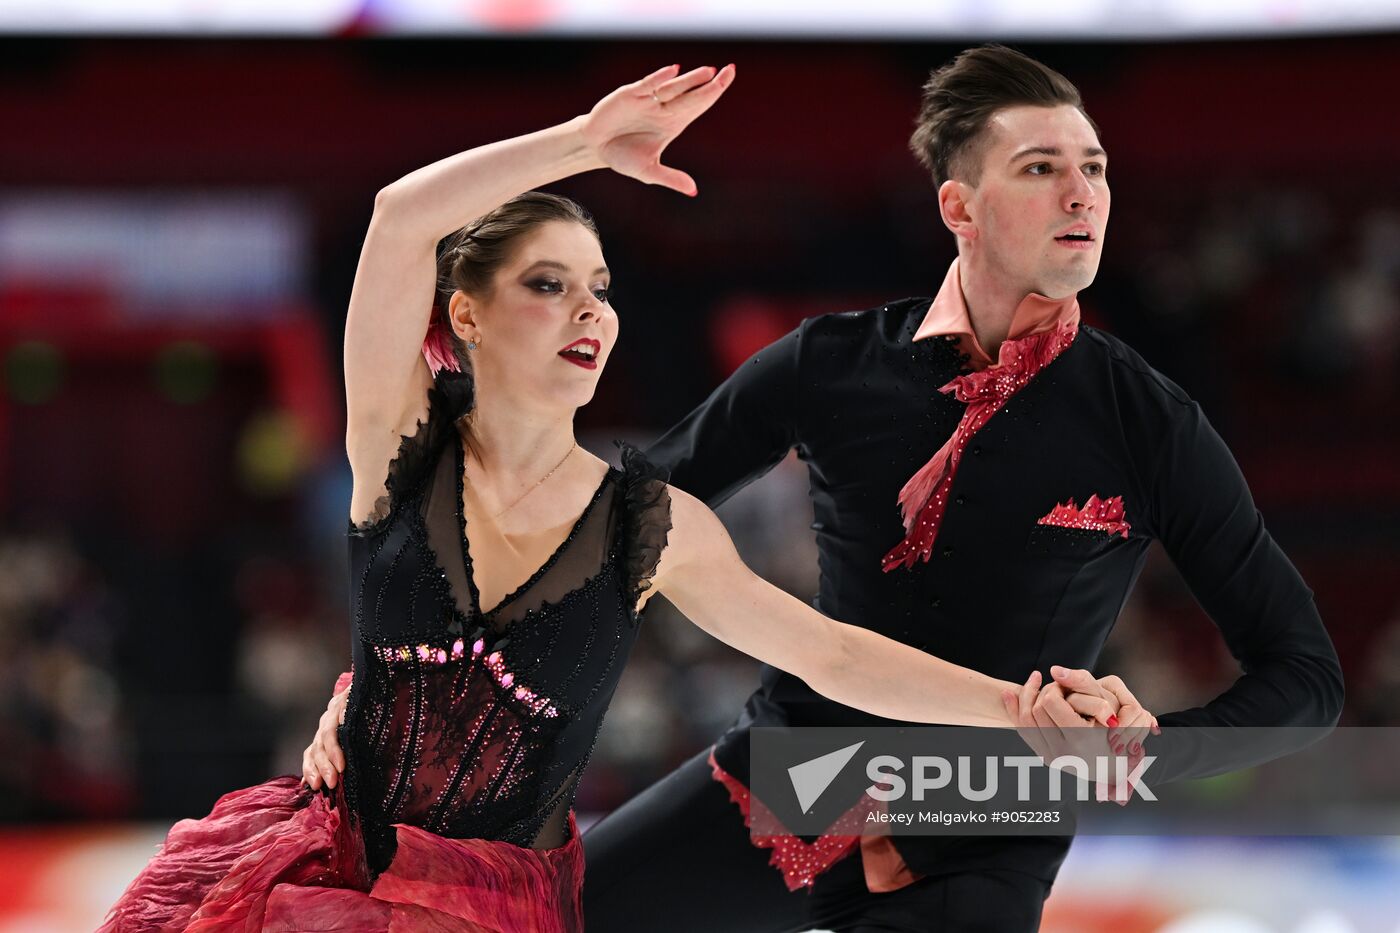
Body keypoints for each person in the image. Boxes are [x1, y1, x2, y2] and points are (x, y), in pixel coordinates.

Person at [100, 63, 1142, 933]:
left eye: (597, 287)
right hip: (324, 879)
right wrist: (588, 142)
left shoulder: (649, 523)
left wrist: (1018, 710)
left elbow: (828, 654)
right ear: (464, 314)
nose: (585, 309)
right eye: (546, 284)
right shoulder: (398, 450)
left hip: (504, 910)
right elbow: (398, 217)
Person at [563, 45, 1338, 932]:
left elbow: (1305, 676)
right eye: (1041, 168)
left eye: (1094, 167)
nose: (1082, 192)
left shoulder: (1149, 422)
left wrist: (1145, 748)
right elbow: (625, 517)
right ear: (959, 206)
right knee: (541, 919)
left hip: (984, 803)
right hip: (801, 768)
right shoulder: (830, 363)